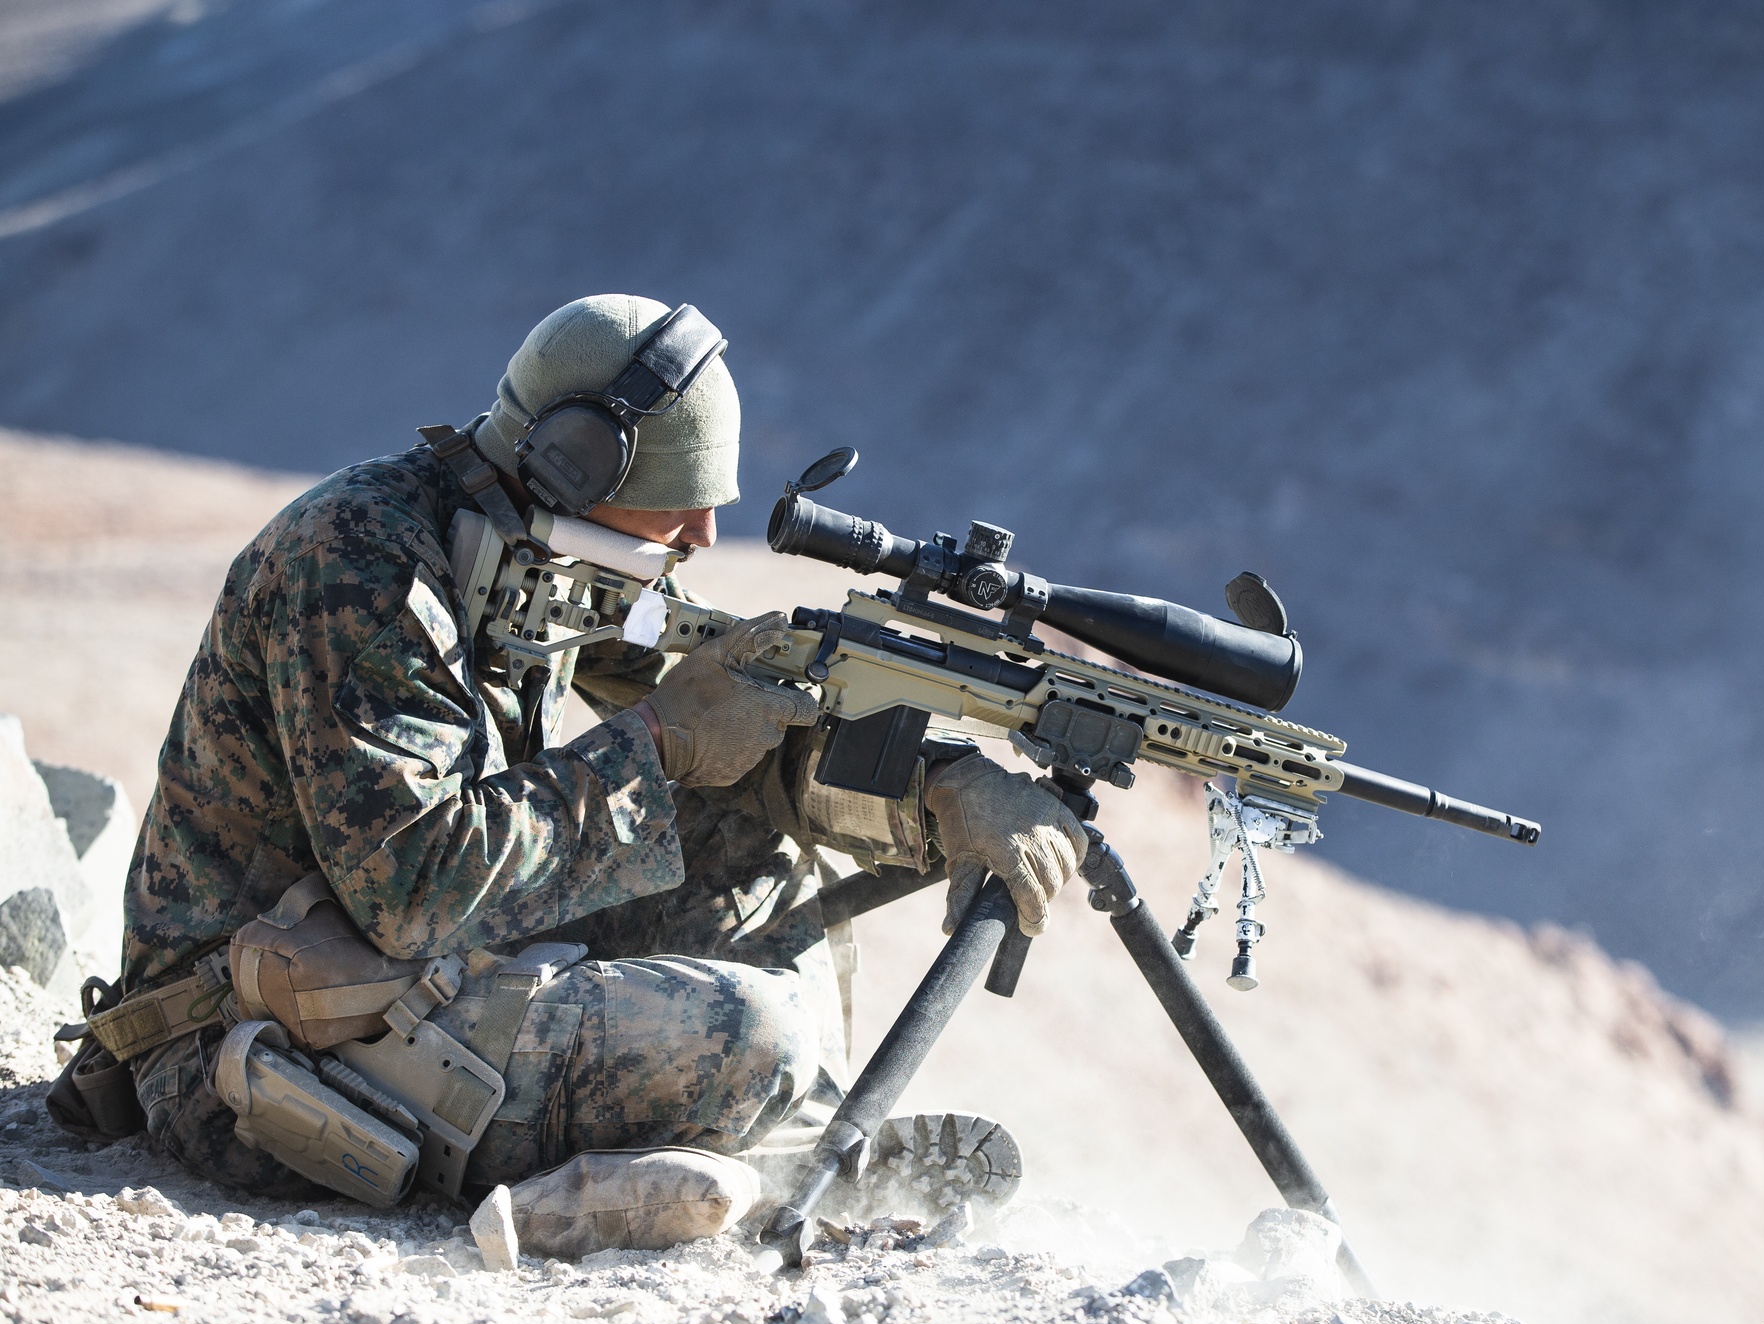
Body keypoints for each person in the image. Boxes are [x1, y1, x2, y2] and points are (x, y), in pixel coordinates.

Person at [107, 294, 1086, 1224]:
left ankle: (764, 1152)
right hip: (256, 1033)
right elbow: (408, 885)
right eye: (676, 504)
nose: (701, 535)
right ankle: (742, 1161)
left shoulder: (540, 553)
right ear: (576, 463)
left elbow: (752, 728)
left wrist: (943, 787)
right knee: (759, 1033)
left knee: (760, 841)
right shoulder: (361, 562)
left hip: (391, 971)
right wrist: (654, 744)